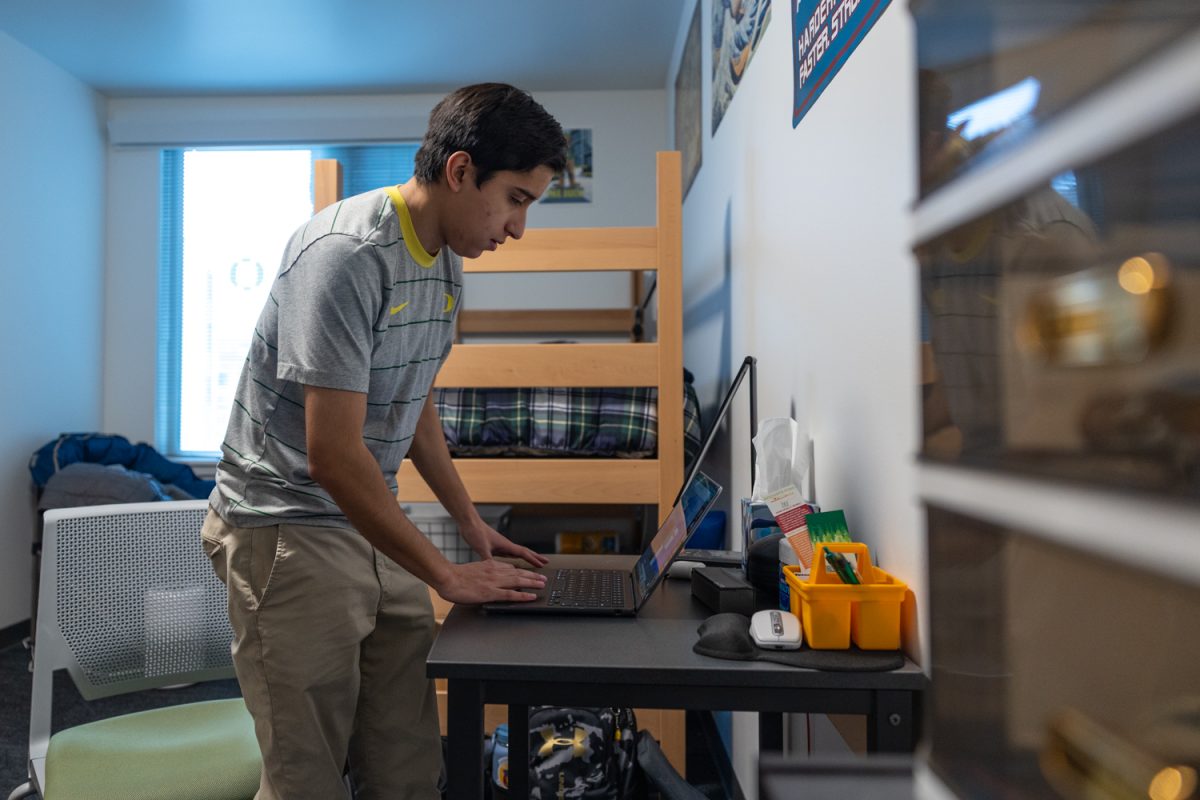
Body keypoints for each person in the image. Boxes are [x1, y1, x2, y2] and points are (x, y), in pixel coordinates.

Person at [200, 83, 566, 800]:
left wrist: (467, 526)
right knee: (306, 780)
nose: (518, 227)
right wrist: (445, 574)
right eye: (516, 199)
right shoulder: (346, 254)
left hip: (372, 520)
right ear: (460, 172)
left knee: (406, 769)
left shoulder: (447, 263)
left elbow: (413, 398)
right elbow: (332, 455)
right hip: (290, 530)